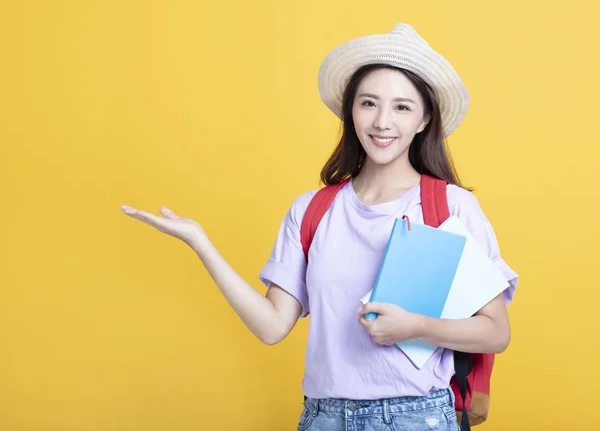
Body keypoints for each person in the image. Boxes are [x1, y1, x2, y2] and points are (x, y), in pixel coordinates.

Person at [120, 23, 518, 431]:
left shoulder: (450, 207)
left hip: (415, 417)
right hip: (323, 417)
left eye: (401, 107)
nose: (382, 121)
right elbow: (272, 326)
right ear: (351, 110)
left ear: (423, 120)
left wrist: (415, 327)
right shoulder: (312, 210)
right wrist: (200, 242)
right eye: (368, 103)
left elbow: (495, 333)